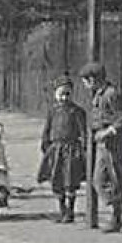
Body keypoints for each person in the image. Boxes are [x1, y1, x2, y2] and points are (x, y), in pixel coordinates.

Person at [81, 61, 122, 233]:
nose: (85, 85)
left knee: (113, 179)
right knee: (101, 180)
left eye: (86, 81)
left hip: (114, 143)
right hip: (102, 144)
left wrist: (108, 132)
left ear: (92, 79)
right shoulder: (98, 94)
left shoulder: (111, 94)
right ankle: (121, 215)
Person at [38, 76, 88, 223]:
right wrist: (45, 145)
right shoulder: (52, 111)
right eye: (61, 94)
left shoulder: (77, 111)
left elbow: (83, 132)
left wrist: (84, 148)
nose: (64, 97)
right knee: (57, 179)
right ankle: (62, 209)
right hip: (56, 149)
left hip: (71, 149)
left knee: (70, 180)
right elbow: (47, 129)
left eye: (67, 94)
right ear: (56, 94)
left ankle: (70, 210)